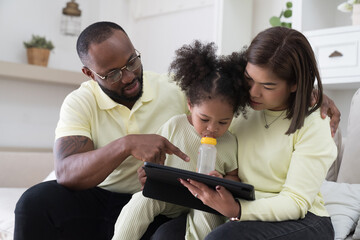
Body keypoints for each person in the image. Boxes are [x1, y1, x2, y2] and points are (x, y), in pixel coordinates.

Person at [13, 21, 339, 240]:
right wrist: (129, 148)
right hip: (129, 196)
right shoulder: (80, 103)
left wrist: (310, 95)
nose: (127, 76)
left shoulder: (180, 90)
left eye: (131, 62)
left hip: (205, 202)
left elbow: (225, 89)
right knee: (34, 203)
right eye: (112, 73)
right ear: (89, 73)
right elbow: (67, 172)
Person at [176, 26, 338, 239]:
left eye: (268, 86)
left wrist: (237, 210)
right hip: (242, 205)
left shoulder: (314, 124)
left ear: (295, 84)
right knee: (166, 233)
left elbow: (296, 202)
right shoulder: (237, 107)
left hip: (304, 219)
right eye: (249, 78)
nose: (253, 92)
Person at [112, 40, 248, 240]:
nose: (212, 128)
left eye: (223, 122)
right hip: (171, 194)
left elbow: (234, 176)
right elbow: (153, 158)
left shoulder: (229, 142)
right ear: (190, 105)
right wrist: (148, 171)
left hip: (206, 200)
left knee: (208, 219)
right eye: (204, 119)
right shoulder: (175, 125)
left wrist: (223, 182)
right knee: (141, 201)